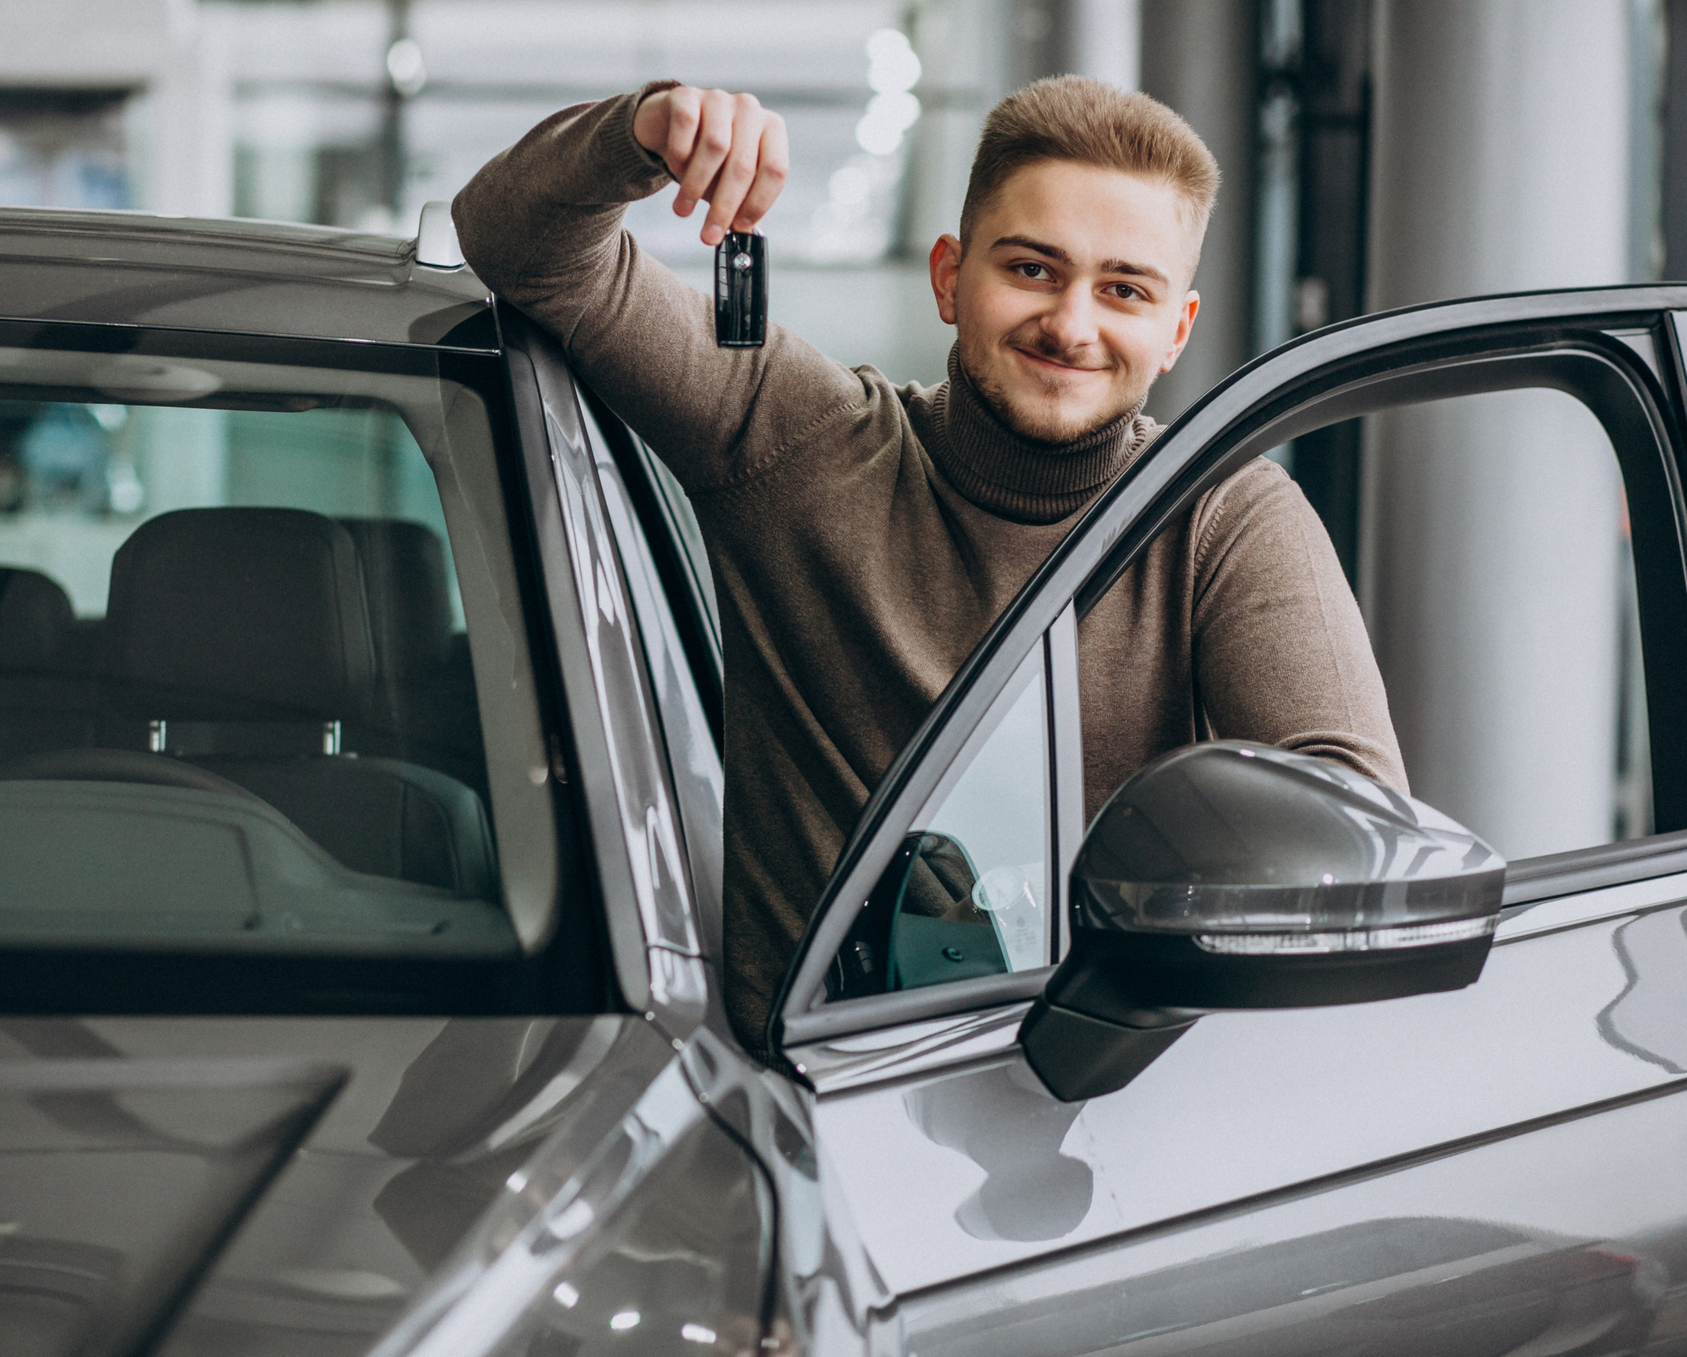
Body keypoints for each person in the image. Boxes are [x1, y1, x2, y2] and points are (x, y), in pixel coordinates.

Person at [453, 76, 1403, 1056]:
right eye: (1033, 269)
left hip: (1108, 1108)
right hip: (816, 1130)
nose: (1073, 325)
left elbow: (1347, 829)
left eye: (1124, 289)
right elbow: (516, 240)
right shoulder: (796, 442)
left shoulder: (1222, 515)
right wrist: (644, 129)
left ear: (1176, 329)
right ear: (949, 277)